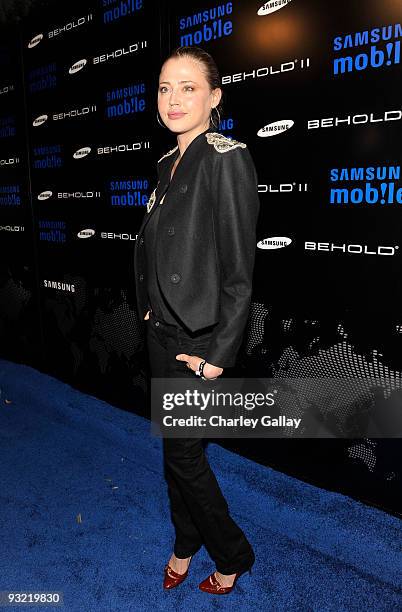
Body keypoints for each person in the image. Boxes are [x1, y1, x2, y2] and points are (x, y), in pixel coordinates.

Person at [133, 45, 260, 595]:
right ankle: (184, 544)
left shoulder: (227, 158)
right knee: (175, 454)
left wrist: (218, 356)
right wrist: (146, 305)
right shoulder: (167, 162)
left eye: (188, 87)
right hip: (160, 330)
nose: (174, 98)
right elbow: (157, 247)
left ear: (214, 97)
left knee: (185, 457)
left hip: (198, 342)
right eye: (165, 88)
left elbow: (238, 274)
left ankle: (232, 554)